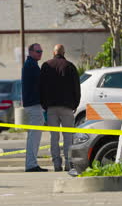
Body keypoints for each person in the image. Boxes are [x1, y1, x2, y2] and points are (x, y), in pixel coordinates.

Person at [40, 44, 81, 176]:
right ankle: (68, 164)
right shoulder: (70, 66)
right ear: (64, 52)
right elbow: (77, 88)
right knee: (68, 137)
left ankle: (56, 164)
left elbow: (41, 87)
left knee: (54, 137)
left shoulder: (46, 66)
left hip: (51, 108)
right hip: (67, 107)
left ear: (53, 52)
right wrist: (75, 104)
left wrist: (44, 105)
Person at [22, 43, 47, 172]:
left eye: (41, 51)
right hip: (33, 105)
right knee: (34, 136)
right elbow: (41, 84)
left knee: (34, 135)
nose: (40, 53)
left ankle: (31, 163)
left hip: (33, 104)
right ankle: (31, 164)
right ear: (31, 52)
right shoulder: (31, 65)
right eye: (38, 51)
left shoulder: (31, 65)